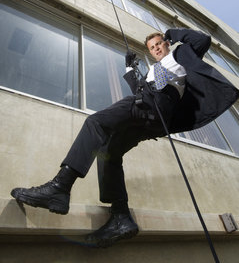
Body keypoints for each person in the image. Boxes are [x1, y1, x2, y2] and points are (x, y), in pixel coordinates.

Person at [11, 28, 239, 248]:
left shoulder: (179, 56)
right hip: (150, 113)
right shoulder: (152, 70)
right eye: (152, 47)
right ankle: (121, 216)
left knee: (95, 122)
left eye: (159, 43)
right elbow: (138, 91)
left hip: (159, 104)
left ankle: (60, 187)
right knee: (110, 150)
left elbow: (203, 40)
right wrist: (130, 69)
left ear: (167, 44)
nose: (157, 48)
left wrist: (171, 33)